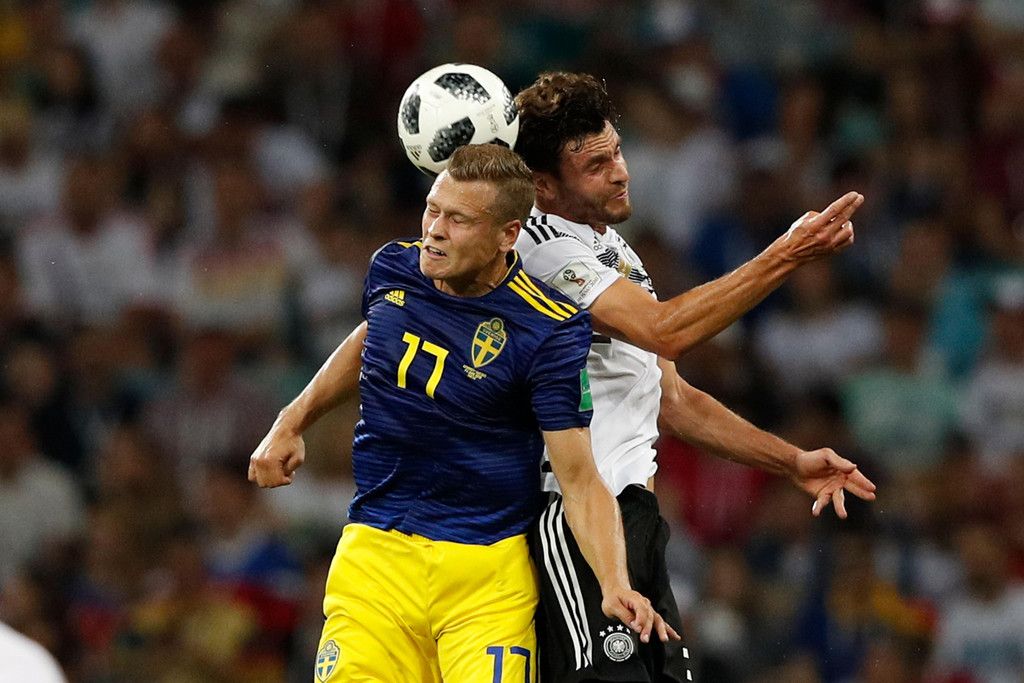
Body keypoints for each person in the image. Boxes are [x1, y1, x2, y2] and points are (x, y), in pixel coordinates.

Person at [248, 144, 677, 683]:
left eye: (458, 219)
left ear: (507, 235)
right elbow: (372, 337)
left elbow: (579, 477)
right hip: (375, 558)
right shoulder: (393, 268)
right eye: (432, 210)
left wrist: (614, 582)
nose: (434, 231)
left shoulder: (549, 329)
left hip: (486, 578)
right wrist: (290, 421)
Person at [511, 71, 878, 682]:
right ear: (544, 185)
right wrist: (785, 253)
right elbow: (666, 331)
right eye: (596, 165)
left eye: (617, 152)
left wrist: (790, 461)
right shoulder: (541, 246)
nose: (621, 172)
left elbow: (672, 397)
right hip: (577, 522)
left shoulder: (613, 249)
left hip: (635, 521)